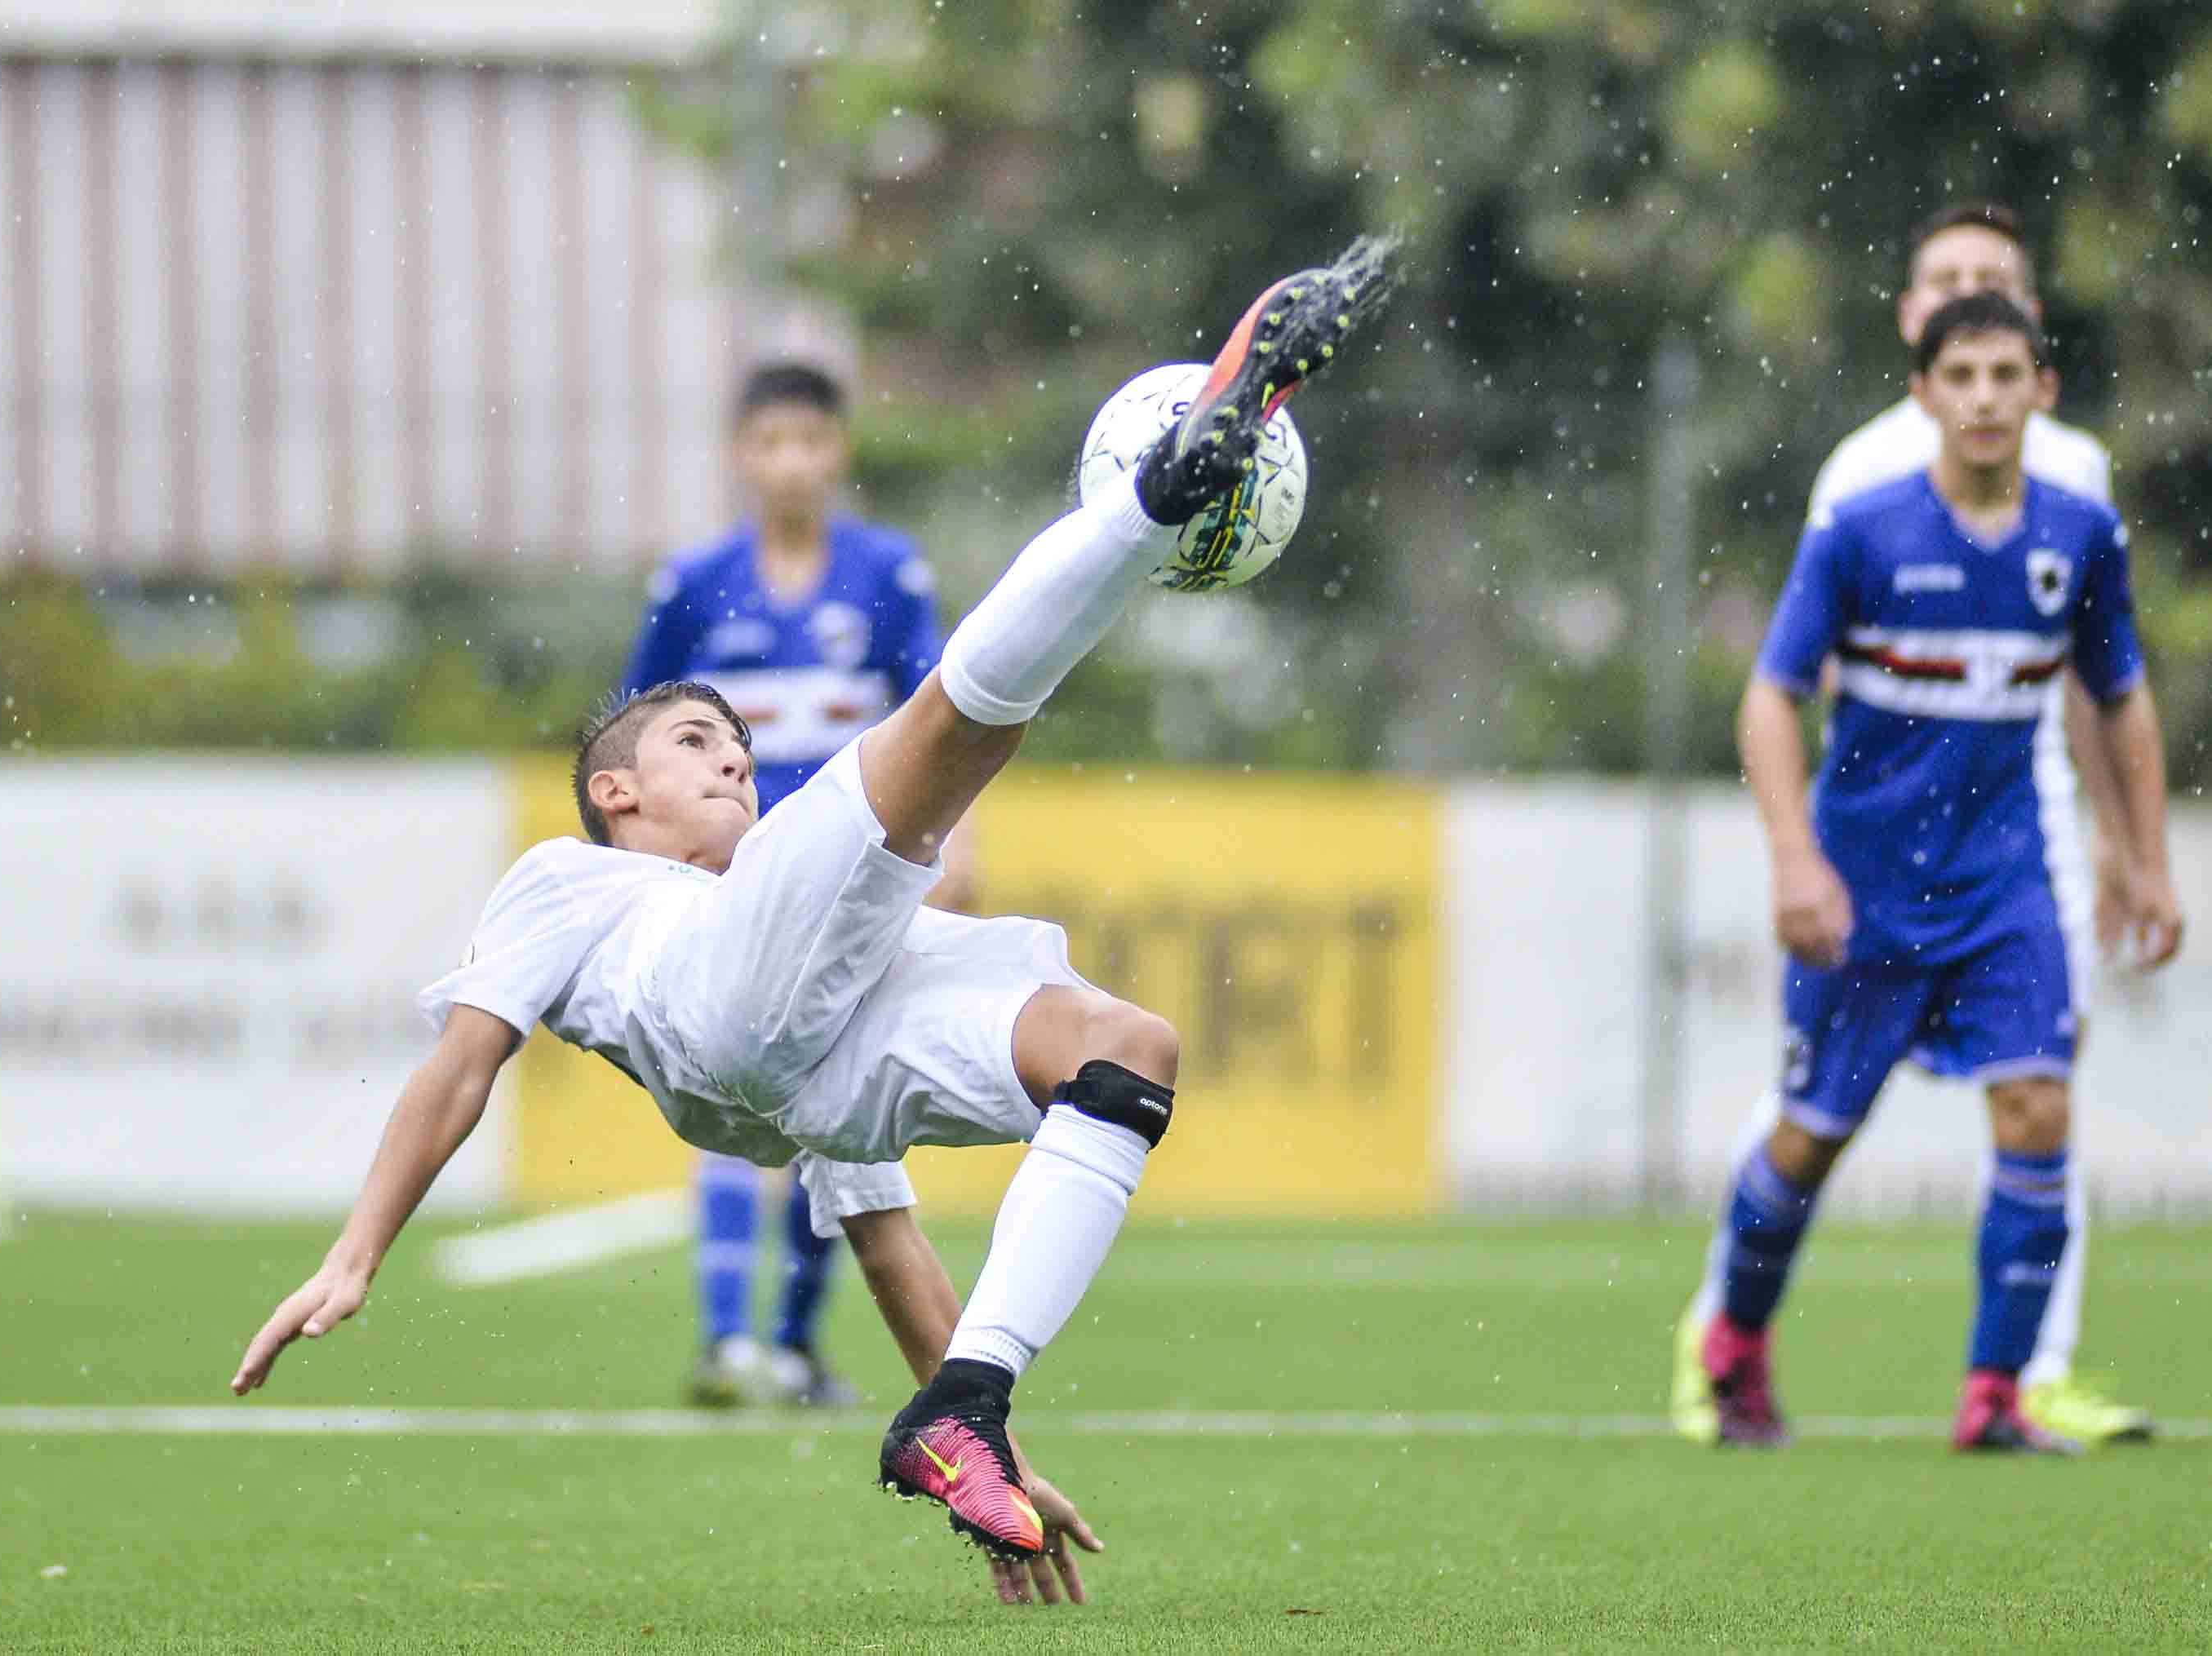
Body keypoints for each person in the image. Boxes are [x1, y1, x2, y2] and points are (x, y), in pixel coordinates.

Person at [229, 238, 1397, 1599]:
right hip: (715, 999)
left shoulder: (785, 916)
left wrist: (983, 1442)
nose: (730, 751)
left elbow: (889, 1243)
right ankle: (1150, 503)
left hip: (798, 1067)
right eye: (692, 736)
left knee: (1127, 1050)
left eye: (733, 736)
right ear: (615, 791)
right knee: (947, 733)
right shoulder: (570, 878)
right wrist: (358, 1250)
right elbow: (462, 1064)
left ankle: (971, 1407)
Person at [1672, 203, 2172, 1447]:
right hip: (1868, 888)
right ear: (1924, 387)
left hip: (2005, 882)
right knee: (1808, 1140)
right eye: (1963, 376)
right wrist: (1795, 858)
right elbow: (1772, 698)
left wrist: (2143, 858)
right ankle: (1730, 1339)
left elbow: (2118, 697)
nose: (1988, 398)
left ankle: (1994, 1395)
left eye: (2009, 374)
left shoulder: (2080, 532)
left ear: (2041, 384)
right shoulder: (1863, 525)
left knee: (2039, 1110)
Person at [621, 361, 976, 1410]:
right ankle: (730, 1342)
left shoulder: (887, 575)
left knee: (838, 1108)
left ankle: (793, 1344)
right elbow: (636, 739)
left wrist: (960, 840)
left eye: (810, 442)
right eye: (770, 442)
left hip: (853, 883)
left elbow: (948, 717)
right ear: (742, 455)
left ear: (839, 453)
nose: (791, 463)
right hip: (731, 880)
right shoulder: (690, 585)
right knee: (733, 1096)